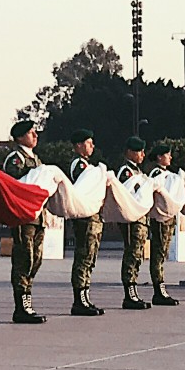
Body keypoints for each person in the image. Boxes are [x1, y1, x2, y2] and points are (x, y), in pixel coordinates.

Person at [0, 120, 51, 324]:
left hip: (37, 217)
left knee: (35, 259)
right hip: (23, 217)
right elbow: (15, 186)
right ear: (20, 137)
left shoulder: (36, 160)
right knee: (24, 259)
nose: (35, 135)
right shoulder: (16, 160)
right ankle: (21, 306)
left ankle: (27, 302)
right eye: (30, 132)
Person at [66, 130, 105, 316]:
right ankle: (79, 299)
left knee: (89, 258)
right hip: (85, 219)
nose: (92, 146)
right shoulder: (79, 165)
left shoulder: (88, 165)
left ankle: (85, 296)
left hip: (93, 218)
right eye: (89, 143)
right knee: (83, 257)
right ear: (80, 145)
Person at [115, 137, 157, 309]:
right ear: (130, 152)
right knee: (132, 254)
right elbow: (126, 194)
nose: (143, 155)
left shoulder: (138, 172)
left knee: (137, 255)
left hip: (141, 219)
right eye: (139, 151)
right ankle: (129, 293)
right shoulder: (126, 172)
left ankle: (133, 290)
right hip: (132, 220)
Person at [144, 144, 180, 305]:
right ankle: (158, 289)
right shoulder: (157, 174)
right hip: (160, 218)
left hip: (167, 219)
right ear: (159, 157)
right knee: (158, 254)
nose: (170, 158)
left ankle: (160, 287)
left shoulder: (167, 174)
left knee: (162, 253)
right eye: (167, 155)